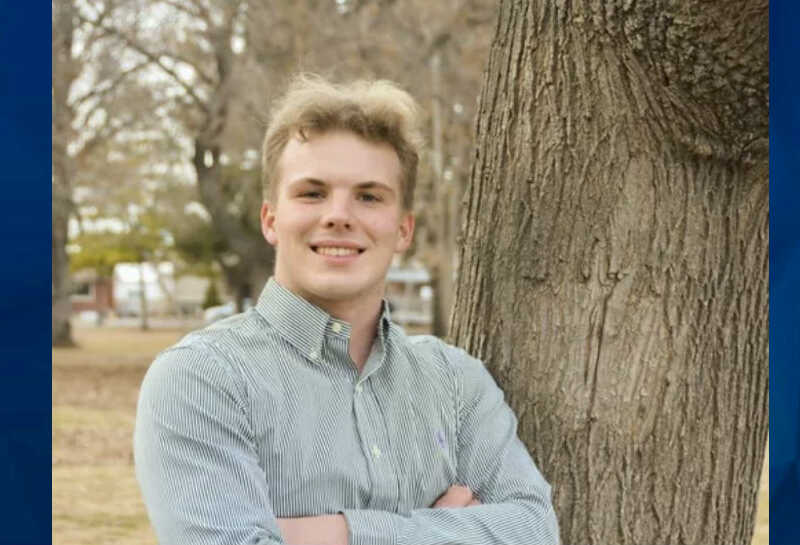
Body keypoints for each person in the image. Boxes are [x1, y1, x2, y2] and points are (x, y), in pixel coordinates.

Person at [134, 74, 560, 545]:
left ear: (403, 229)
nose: (338, 215)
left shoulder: (457, 384)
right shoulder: (203, 379)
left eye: (369, 196)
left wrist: (329, 533)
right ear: (271, 219)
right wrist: (450, 530)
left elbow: (534, 529)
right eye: (312, 193)